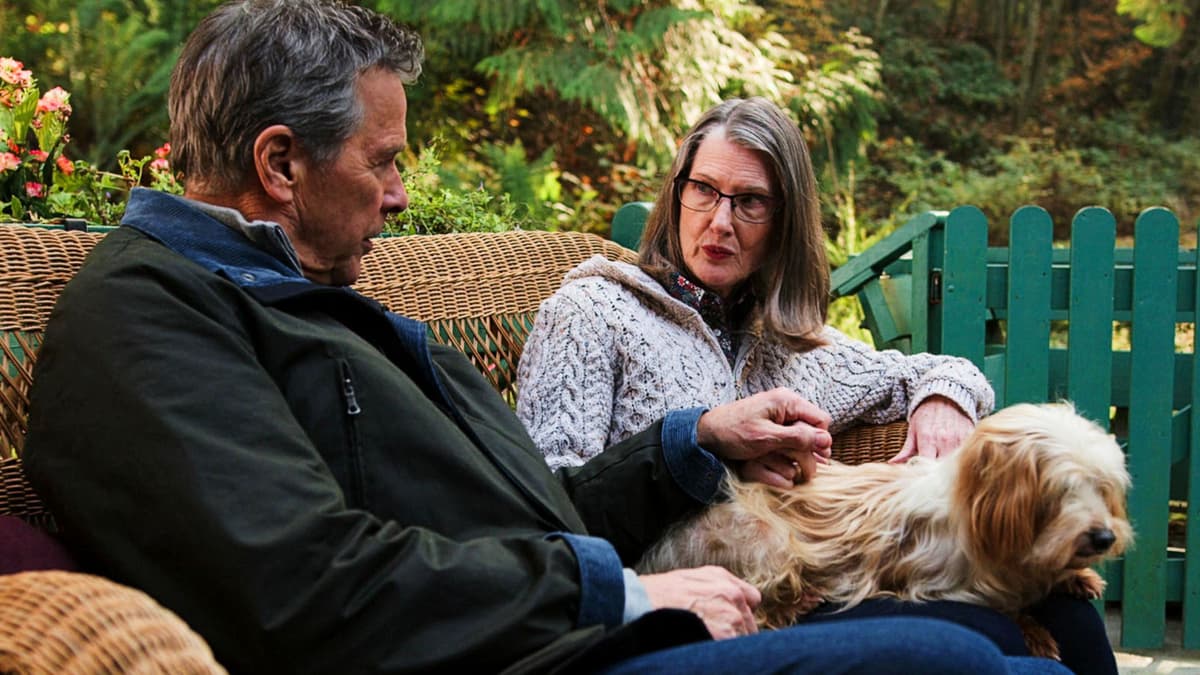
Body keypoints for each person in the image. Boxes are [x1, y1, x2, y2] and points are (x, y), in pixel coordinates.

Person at [22, 2, 1070, 674]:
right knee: (954, 660)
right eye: (383, 161)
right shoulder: (155, 314)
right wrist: (623, 590)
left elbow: (533, 506)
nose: (398, 196)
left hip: (566, 618)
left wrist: (686, 445)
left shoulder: (303, 293)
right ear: (282, 163)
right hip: (533, 654)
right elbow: (309, 585)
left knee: (1027, 622)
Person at [515, 96, 1116, 674]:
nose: (719, 222)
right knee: (994, 632)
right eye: (703, 190)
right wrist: (705, 451)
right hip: (681, 597)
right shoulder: (594, 312)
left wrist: (943, 400)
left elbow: (934, 371)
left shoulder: (790, 344)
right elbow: (543, 504)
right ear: (676, 193)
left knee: (1070, 611)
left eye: (751, 202)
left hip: (809, 577)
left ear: (784, 222)